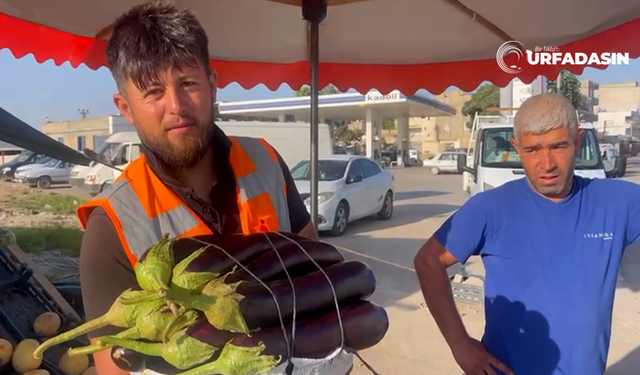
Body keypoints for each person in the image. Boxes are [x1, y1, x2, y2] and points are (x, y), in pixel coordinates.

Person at [76, 2, 343, 374]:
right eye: (153, 92)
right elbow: (114, 367)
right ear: (125, 107)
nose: (177, 106)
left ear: (213, 85)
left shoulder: (266, 162)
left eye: (188, 83)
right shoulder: (112, 227)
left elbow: (316, 272)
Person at [414, 93, 640, 375]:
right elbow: (428, 261)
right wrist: (459, 344)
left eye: (558, 146)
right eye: (532, 150)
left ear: (577, 142)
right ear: (516, 147)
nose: (546, 164)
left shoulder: (617, 202)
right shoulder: (490, 208)